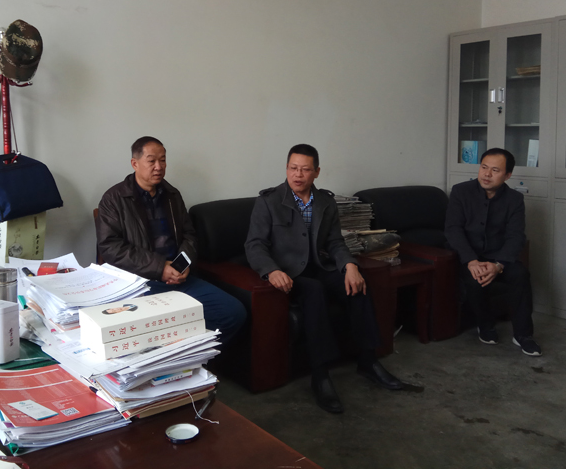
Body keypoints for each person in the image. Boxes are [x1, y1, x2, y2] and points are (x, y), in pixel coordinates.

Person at [245, 144, 403, 414]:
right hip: (288, 273)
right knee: (314, 291)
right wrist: (271, 270)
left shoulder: (325, 202)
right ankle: (320, 375)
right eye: (293, 168)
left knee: (357, 285)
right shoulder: (268, 201)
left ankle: (368, 361)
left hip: (319, 266)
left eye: (305, 169)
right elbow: (255, 244)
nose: (298, 175)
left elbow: (335, 242)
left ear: (316, 172)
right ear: (286, 168)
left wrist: (350, 266)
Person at [95, 136, 246, 348]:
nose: (159, 167)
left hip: (178, 278)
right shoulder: (114, 199)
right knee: (151, 328)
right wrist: (159, 268)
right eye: (151, 161)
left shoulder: (172, 195)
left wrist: (182, 265)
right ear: (134, 163)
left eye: (163, 160)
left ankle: (190, 354)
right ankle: (173, 355)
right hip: (139, 282)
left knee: (232, 312)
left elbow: (189, 235)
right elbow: (110, 247)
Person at [444, 148, 540, 356]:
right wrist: (471, 260)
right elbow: (453, 229)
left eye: (495, 170)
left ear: (507, 175)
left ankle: (523, 335)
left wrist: (498, 265)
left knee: (520, 274)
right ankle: (485, 325)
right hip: (469, 255)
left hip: (499, 257)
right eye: (484, 167)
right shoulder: (461, 191)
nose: (486, 174)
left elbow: (516, 236)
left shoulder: (514, 199)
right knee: (475, 279)